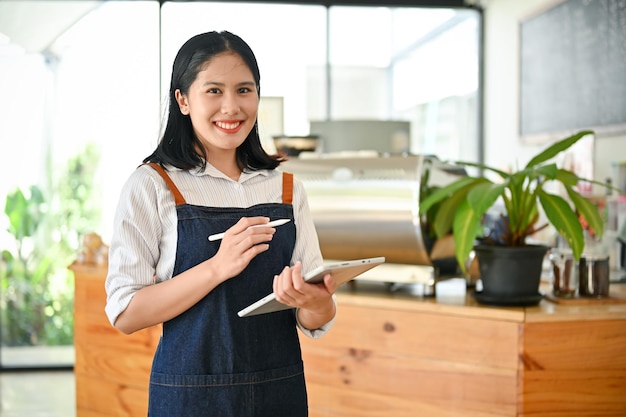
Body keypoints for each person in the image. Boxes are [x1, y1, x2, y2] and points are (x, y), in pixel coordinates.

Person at [104, 30, 337, 416]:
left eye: (244, 90)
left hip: (279, 395)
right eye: (214, 91)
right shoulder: (153, 185)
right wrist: (216, 267)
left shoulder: (286, 187)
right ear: (182, 100)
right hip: (189, 399)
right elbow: (126, 313)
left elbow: (314, 317)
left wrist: (318, 301)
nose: (231, 107)